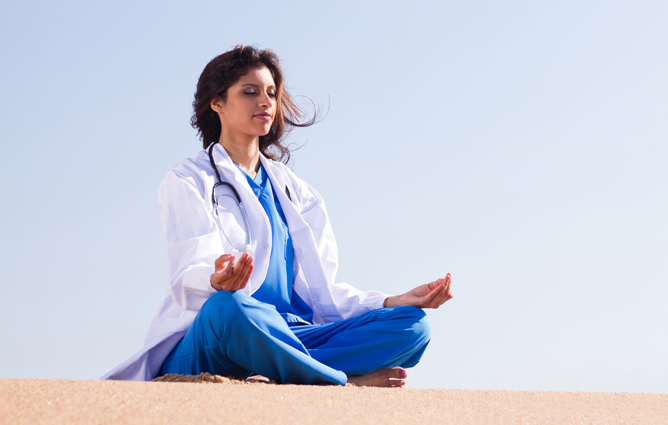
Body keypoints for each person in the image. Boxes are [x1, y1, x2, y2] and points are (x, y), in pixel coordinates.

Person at [102, 45, 453, 387]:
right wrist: (216, 279)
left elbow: (325, 292)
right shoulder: (188, 180)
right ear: (217, 102)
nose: (266, 101)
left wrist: (394, 300)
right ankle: (342, 382)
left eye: (271, 92)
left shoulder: (298, 193)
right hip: (218, 337)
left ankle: (283, 371)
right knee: (231, 308)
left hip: (291, 334)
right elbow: (188, 270)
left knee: (412, 326)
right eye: (250, 92)